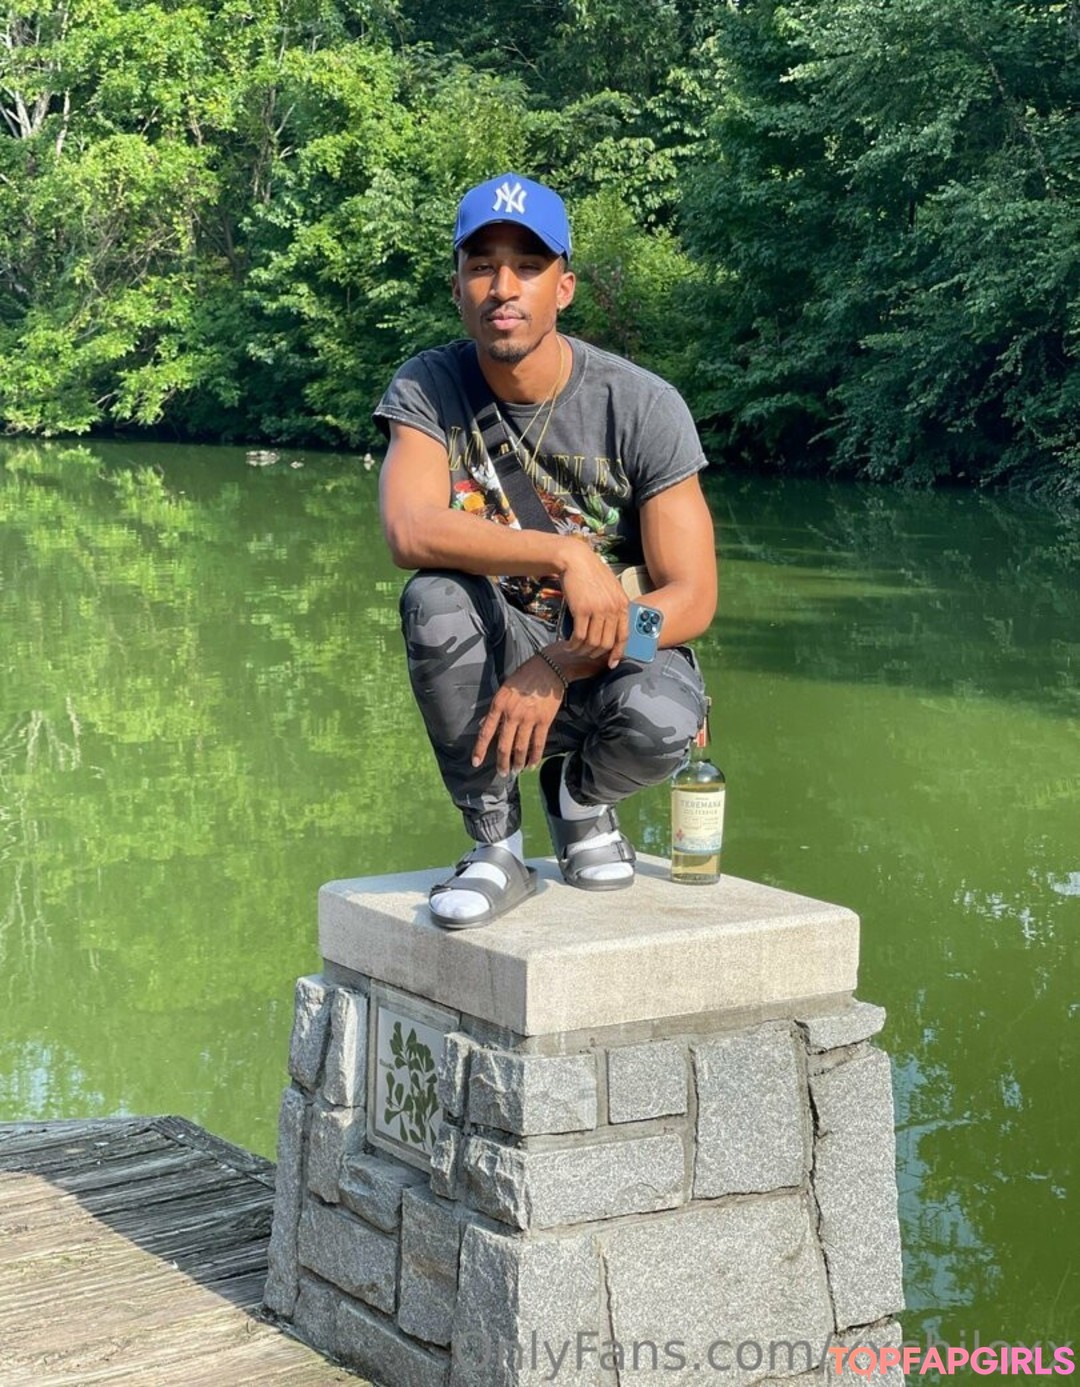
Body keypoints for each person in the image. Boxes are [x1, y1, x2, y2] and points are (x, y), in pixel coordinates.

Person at [375, 173, 717, 928]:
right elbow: (408, 529)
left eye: (528, 267)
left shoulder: (643, 405)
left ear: (563, 288)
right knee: (433, 598)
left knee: (666, 711)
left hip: (611, 648)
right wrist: (565, 556)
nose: (504, 287)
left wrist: (565, 661)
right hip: (500, 646)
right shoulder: (428, 388)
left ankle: (579, 798)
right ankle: (494, 846)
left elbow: (693, 597)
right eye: (482, 266)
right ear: (457, 288)